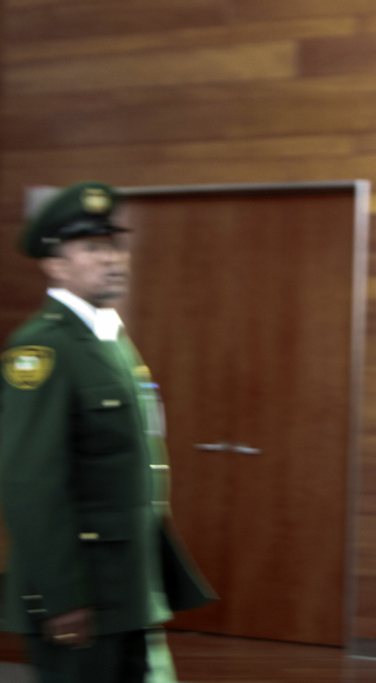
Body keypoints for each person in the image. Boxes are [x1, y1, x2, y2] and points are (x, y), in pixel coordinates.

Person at [0, 182, 215, 682]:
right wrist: (61, 597)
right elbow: (30, 483)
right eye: (92, 248)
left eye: (114, 244)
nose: (112, 258)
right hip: (82, 594)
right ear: (55, 265)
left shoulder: (108, 337)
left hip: (128, 587)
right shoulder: (42, 349)